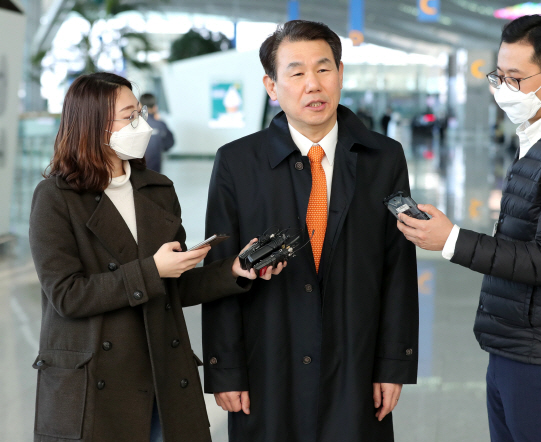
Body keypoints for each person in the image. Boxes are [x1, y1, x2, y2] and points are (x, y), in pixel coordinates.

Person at [28, 72, 284, 442]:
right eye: (130, 116)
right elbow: (67, 295)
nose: (142, 124)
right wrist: (152, 270)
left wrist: (234, 269)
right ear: (93, 125)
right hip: (93, 382)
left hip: (163, 371)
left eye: (141, 113)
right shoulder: (56, 197)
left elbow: (173, 287)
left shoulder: (157, 190)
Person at [396, 15, 541, 442]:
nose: (502, 87)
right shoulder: (539, 140)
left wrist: (453, 240)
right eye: (499, 74)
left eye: (515, 77)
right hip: (516, 349)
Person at [201, 20, 419, 442]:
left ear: (340, 73)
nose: (313, 85)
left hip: (354, 358)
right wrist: (225, 369)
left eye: (323, 69)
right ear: (271, 85)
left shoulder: (383, 157)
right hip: (268, 361)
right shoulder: (237, 162)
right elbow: (219, 272)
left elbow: (397, 266)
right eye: (296, 73)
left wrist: (392, 362)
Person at [140, 93, 175, 173]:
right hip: (155, 172)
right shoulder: (161, 125)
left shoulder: (135, 124)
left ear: (140, 106)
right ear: (155, 107)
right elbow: (170, 143)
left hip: (136, 174)